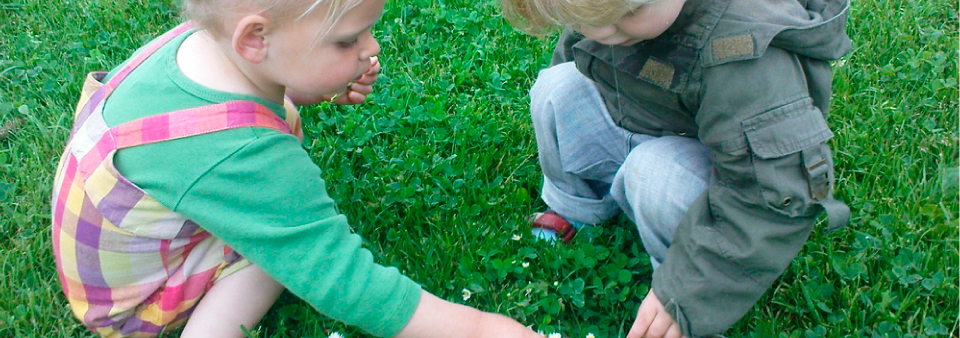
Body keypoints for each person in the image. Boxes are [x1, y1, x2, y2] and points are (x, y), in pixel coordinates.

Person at [50, 0, 544, 337]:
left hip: (118, 245)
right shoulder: (239, 154)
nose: (371, 48)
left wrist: (308, 88)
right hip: (133, 299)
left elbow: (263, 91)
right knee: (277, 256)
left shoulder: (199, 49)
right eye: (347, 40)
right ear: (255, 39)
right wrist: (481, 329)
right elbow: (338, 275)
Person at [499, 0, 853, 336]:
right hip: (642, 118)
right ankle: (578, 207)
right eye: (582, 17)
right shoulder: (611, 16)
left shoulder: (744, 51)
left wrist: (688, 293)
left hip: (722, 174)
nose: (602, 29)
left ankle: (679, 284)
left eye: (632, 9)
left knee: (655, 173)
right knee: (557, 87)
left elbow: (773, 194)